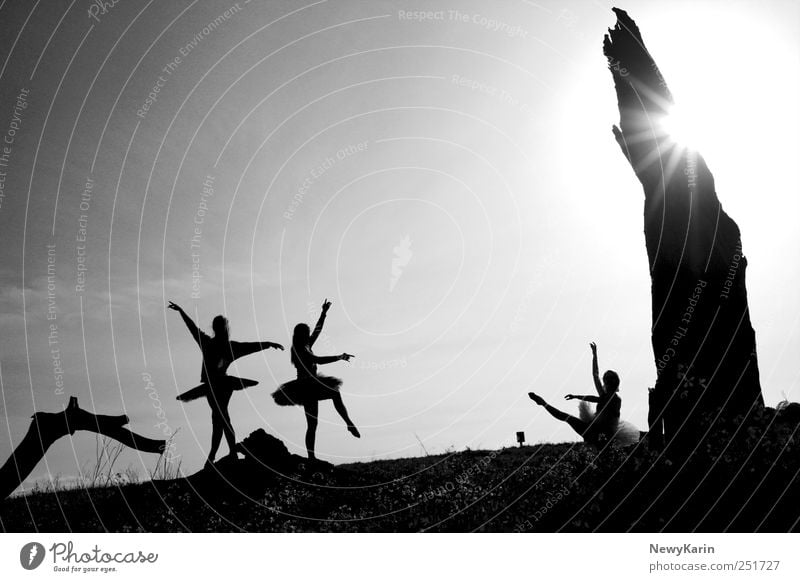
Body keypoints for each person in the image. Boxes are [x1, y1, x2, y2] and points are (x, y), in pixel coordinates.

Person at [168, 301, 284, 468]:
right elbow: (250, 347)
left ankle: (219, 454)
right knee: (220, 417)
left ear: (215, 328)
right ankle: (222, 454)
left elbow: (192, 327)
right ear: (225, 328)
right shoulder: (226, 346)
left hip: (214, 385)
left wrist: (181, 311)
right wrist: (268, 344)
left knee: (219, 417)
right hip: (223, 384)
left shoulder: (209, 344)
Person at [271, 299, 359, 461]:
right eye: (306, 332)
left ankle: (348, 422)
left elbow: (318, 331)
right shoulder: (298, 348)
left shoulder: (306, 344)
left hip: (312, 385)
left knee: (333, 396)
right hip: (305, 387)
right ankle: (312, 457)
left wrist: (323, 313)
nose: (309, 334)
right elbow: (317, 360)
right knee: (313, 424)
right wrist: (339, 356)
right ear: (301, 334)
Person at [528, 342, 639, 446]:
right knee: (567, 417)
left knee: (595, 450)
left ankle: (543, 403)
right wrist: (594, 355)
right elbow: (595, 375)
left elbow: (596, 399)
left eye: (607, 382)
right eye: (605, 381)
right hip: (592, 427)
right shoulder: (604, 395)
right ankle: (542, 403)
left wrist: (577, 396)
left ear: (612, 384)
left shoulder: (615, 399)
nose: (605, 384)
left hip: (604, 433)